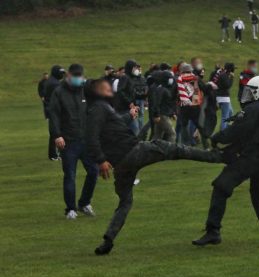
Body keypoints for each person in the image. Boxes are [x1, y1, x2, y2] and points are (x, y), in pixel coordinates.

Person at [84, 79, 223, 255]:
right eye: (102, 87)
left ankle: (108, 240)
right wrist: (100, 159)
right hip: (132, 151)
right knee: (173, 148)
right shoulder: (99, 108)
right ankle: (216, 156)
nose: (107, 88)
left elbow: (113, 122)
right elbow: (91, 137)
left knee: (125, 202)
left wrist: (129, 115)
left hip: (121, 164)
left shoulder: (97, 109)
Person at [192, 75, 259, 246]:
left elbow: (237, 130)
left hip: (253, 156)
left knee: (221, 187)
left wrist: (216, 138)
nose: (249, 95)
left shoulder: (255, 108)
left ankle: (213, 231)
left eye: (252, 91)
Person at [48, 64, 98, 219]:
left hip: (86, 140)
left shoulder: (85, 91)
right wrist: (57, 135)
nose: (78, 79)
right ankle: (70, 209)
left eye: (80, 76)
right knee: (70, 174)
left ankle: (84, 202)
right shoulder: (59, 92)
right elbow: (54, 115)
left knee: (94, 171)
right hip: (68, 141)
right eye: (75, 76)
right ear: (68, 76)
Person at [114, 59, 147, 136]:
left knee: (131, 132)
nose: (136, 69)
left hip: (129, 109)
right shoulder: (125, 77)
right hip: (124, 110)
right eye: (134, 67)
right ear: (130, 68)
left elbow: (131, 94)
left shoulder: (130, 78)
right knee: (135, 132)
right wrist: (130, 103)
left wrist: (135, 104)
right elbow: (120, 91)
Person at [147, 71, 177, 142]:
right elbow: (157, 103)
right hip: (162, 115)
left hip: (162, 114)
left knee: (157, 135)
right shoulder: (162, 89)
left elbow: (166, 103)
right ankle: (169, 150)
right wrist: (156, 115)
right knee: (172, 134)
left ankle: (152, 150)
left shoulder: (163, 89)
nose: (171, 80)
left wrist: (172, 113)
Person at [44, 65, 65, 161]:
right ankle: (55, 154)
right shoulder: (55, 84)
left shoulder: (50, 81)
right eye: (61, 73)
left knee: (54, 133)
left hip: (50, 109)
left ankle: (54, 154)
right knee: (56, 133)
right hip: (55, 111)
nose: (62, 75)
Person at [213, 63, 235, 130]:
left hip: (223, 98)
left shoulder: (224, 75)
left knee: (230, 111)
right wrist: (231, 78)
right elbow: (228, 85)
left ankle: (224, 127)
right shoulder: (224, 75)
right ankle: (223, 131)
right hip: (223, 98)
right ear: (230, 69)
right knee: (225, 117)